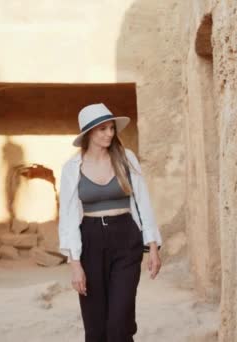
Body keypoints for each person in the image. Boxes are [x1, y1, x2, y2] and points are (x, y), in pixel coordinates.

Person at [58, 103, 163, 341]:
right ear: (88, 134)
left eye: (111, 128)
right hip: (90, 240)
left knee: (120, 323)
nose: (109, 134)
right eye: (102, 129)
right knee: (95, 327)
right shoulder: (72, 168)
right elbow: (68, 218)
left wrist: (153, 247)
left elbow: (143, 203)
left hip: (126, 237)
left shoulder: (126, 159)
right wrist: (75, 264)